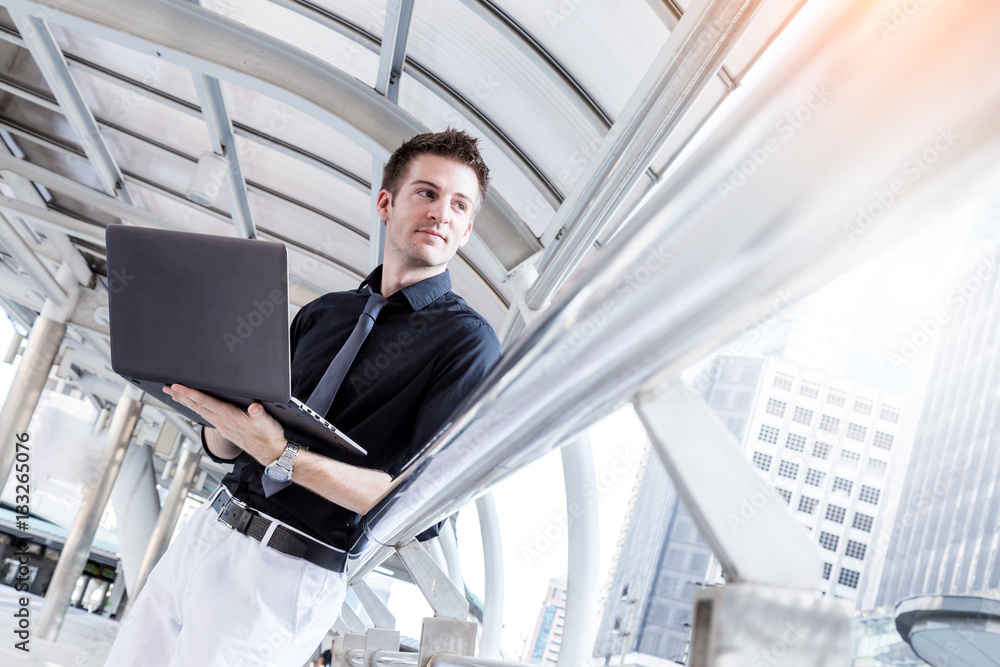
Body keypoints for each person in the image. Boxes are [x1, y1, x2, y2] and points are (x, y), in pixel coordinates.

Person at [106, 129, 502, 666]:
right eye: (426, 193)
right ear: (386, 203)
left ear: (468, 229)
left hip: (286, 572)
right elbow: (229, 449)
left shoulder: (467, 342)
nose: (441, 213)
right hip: (208, 531)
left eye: (459, 204)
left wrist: (280, 455)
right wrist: (217, 404)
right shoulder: (324, 313)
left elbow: (419, 506)